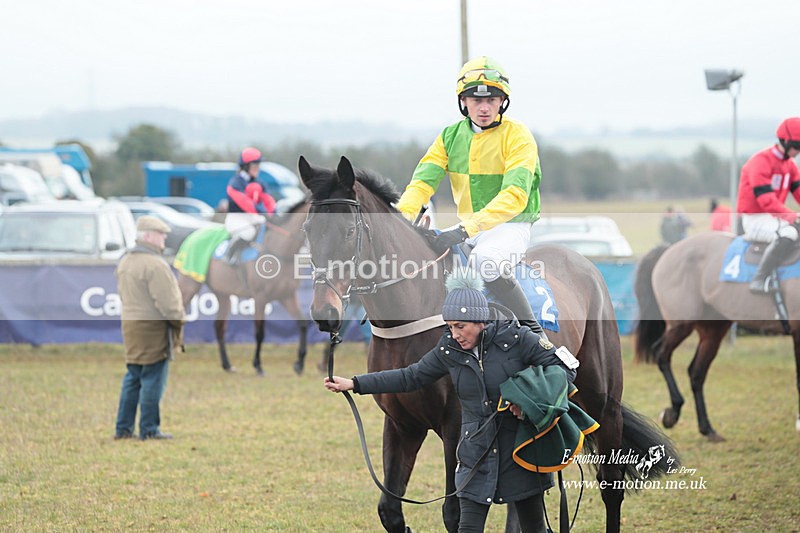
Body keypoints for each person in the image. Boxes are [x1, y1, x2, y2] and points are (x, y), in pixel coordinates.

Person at [324, 271, 577, 533]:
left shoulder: (518, 338)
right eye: (450, 326)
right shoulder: (449, 349)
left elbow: (566, 368)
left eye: (460, 326)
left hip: (520, 453)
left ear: (479, 321)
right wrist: (355, 383)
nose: (454, 334)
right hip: (474, 453)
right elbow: (411, 376)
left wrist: (531, 398)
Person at [394, 56, 545, 336]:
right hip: (470, 228)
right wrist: (400, 220)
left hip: (509, 226)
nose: (484, 107)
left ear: (503, 102)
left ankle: (534, 334)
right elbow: (421, 184)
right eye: (476, 100)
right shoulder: (449, 136)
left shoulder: (518, 136)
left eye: (492, 100)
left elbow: (514, 196)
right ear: (464, 102)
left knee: (484, 262)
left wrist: (465, 229)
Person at [114, 216, 185, 440]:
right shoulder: (155, 264)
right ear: (148, 236)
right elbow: (169, 304)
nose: (164, 237)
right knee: (153, 379)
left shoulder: (126, 261)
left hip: (131, 326)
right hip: (153, 330)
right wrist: (179, 322)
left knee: (133, 377)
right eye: (160, 233)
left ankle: (124, 428)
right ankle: (149, 429)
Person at [737, 117, 800, 293]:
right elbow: (766, 200)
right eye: (797, 146)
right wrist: (793, 216)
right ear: (784, 141)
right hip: (755, 219)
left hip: (774, 217)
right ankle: (759, 279)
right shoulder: (760, 162)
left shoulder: (790, 165)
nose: (798, 151)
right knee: (788, 232)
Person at [224, 147, 276, 262]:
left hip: (253, 217)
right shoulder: (235, 183)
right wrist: (262, 212)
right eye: (254, 165)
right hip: (237, 218)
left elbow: (268, 199)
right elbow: (245, 203)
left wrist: (273, 213)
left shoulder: (259, 182)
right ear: (246, 166)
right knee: (248, 233)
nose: (257, 168)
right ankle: (230, 254)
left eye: (258, 165)